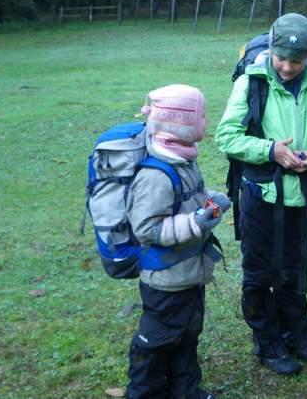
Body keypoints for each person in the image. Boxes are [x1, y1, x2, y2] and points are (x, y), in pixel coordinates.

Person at [215, 13, 307, 375]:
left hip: (299, 197)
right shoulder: (251, 83)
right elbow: (226, 137)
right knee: (259, 271)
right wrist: (270, 150)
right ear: (272, 51)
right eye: (282, 59)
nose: (288, 67)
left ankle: (296, 333)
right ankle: (267, 340)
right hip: (259, 195)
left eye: (297, 61)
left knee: (294, 267)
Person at [125, 84, 231, 399]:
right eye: (201, 116)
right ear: (181, 123)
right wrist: (195, 222)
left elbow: (188, 199)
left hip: (189, 274)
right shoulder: (156, 175)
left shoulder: (182, 158)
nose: (206, 120)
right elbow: (147, 228)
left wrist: (212, 199)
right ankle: (145, 393)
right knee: (157, 342)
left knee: (187, 335)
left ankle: (185, 390)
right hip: (166, 280)